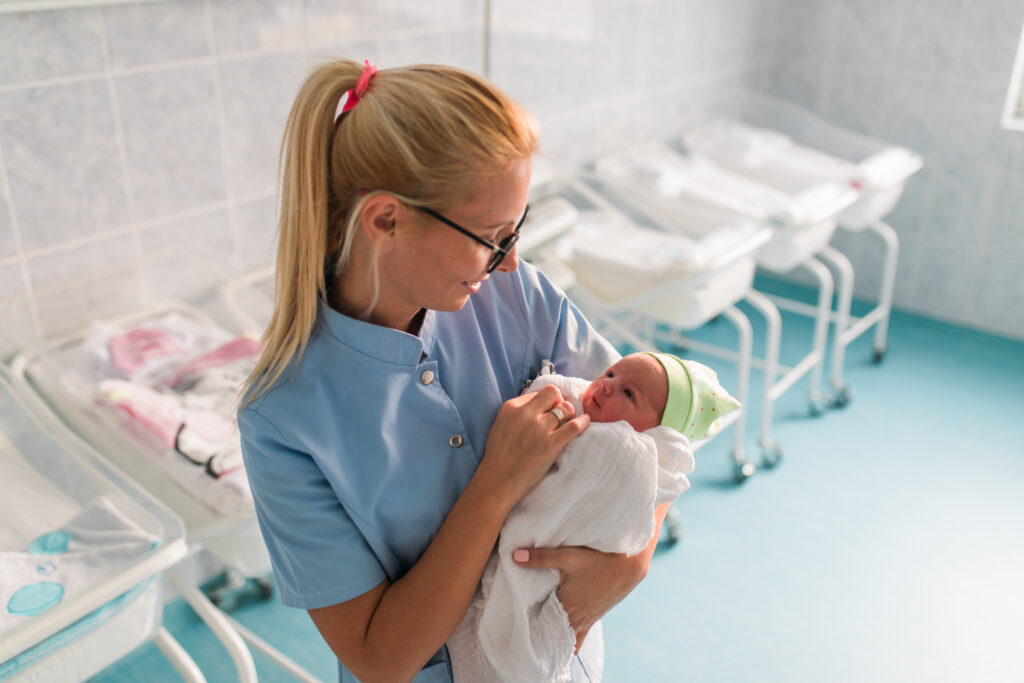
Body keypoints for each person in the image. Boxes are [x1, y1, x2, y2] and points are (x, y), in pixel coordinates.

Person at [237, 58, 661, 682]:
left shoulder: (520, 297)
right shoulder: (283, 419)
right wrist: (497, 482)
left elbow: (657, 434)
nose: (512, 260)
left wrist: (630, 565)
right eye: (492, 236)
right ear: (386, 220)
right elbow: (381, 659)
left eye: (518, 227)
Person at [447, 352, 740, 682]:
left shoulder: (626, 455)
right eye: (612, 373)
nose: (605, 386)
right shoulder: (583, 405)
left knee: (513, 644)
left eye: (628, 394)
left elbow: (626, 505)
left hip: (551, 575)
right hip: (516, 559)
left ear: (657, 436)